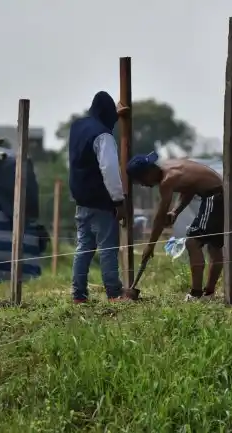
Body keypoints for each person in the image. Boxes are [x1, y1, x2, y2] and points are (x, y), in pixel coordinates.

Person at [126, 153, 224, 300]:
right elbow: (189, 189)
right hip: (219, 193)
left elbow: (160, 216)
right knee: (214, 246)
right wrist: (175, 211)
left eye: (141, 181)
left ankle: (196, 294)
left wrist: (150, 246)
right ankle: (209, 293)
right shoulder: (170, 167)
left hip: (215, 196)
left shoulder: (167, 180)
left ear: (148, 173)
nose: (144, 185)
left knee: (193, 242)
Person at [68, 91, 130, 303]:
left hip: (81, 198)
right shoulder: (104, 136)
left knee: (84, 247)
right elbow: (109, 170)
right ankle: (114, 293)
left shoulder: (78, 127)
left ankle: (78, 295)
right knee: (107, 248)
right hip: (101, 200)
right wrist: (118, 200)